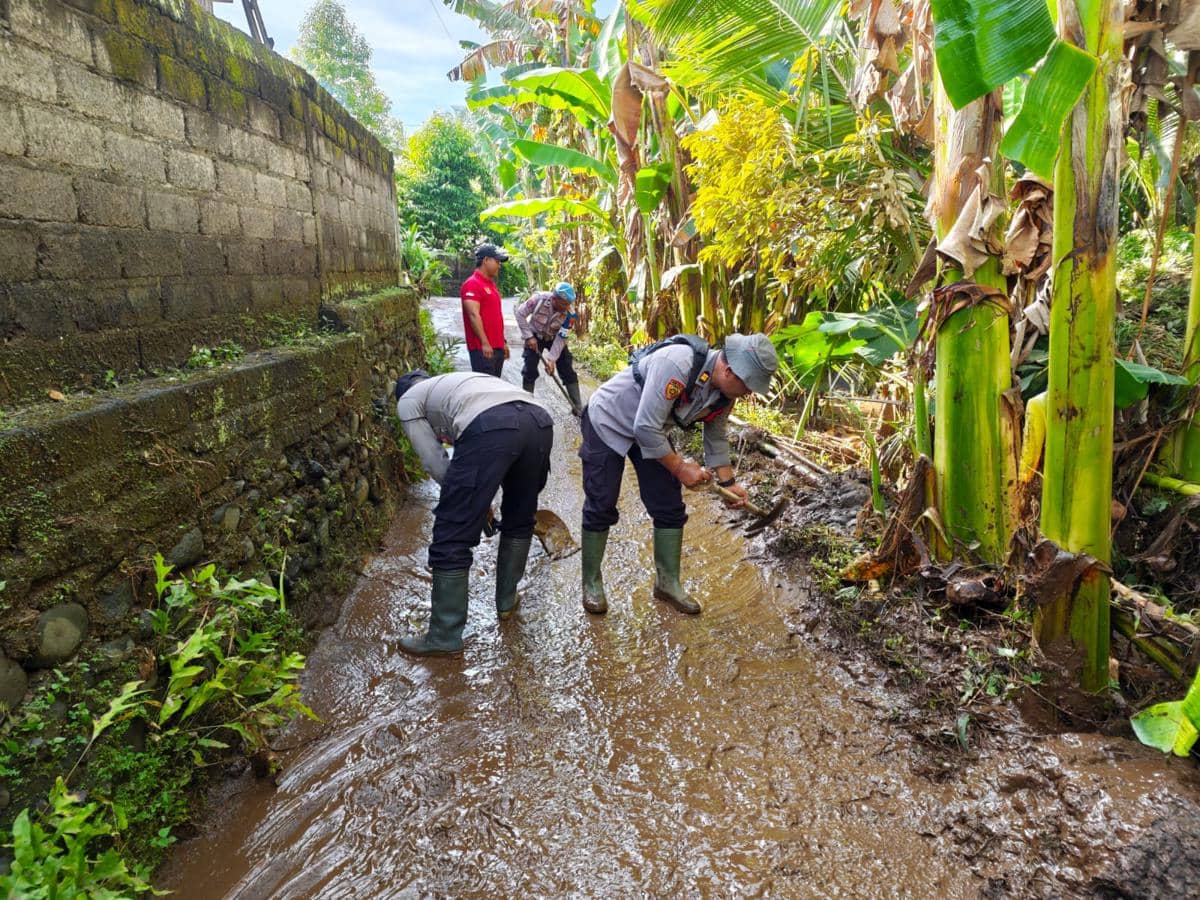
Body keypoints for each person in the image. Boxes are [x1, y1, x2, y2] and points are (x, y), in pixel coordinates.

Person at [578, 333, 778, 617]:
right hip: (609, 420)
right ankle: (592, 583)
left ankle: (667, 583)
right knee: (602, 501)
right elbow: (645, 427)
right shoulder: (676, 363)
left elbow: (716, 437)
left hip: (650, 432)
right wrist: (681, 467)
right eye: (747, 386)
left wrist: (729, 483)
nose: (748, 393)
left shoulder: (725, 394)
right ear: (729, 370)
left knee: (669, 505)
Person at [394, 369, 554, 656]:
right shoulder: (457, 384)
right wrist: (480, 500)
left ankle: (444, 636)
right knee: (520, 516)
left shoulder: (407, 400)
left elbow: (435, 461)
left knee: (451, 532)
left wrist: (469, 502)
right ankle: (506, 603)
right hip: (539, 421)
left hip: (493, 424)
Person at [513, 281, 583, 411]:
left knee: (567, 367)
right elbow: (520, 314)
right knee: (529, 368)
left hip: (554, 338)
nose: (567, 307)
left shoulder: (571, 315)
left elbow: (561, 338)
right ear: (554, 299)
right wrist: (529, 337)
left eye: (569, 304)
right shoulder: (538, 299)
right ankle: (527, 403)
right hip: (534, 336)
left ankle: (577, 406)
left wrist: (551, 360)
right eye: (564, 304)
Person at [460, 243, 510, 377]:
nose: (499, 265)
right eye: (497, 261)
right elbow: (473, 314)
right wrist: (485, 342)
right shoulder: (472, 284)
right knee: (486, 391)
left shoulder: (491, 285)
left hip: (496, 347)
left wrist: (502, 342)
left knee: (495, 389)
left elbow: (494, 317)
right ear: (486, 260)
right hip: (483, 349)